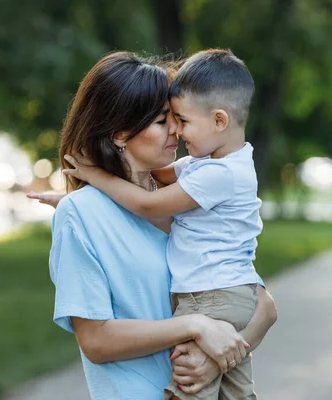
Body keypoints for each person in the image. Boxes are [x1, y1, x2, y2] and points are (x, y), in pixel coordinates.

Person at [29, 51, 277, 400]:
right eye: (164, 120)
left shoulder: (190, 201)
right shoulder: (79, 214)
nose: (177, 129)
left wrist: (216, 359)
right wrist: (195, 326)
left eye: (178, 118)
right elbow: (96, 341)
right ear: (119, 133)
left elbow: (264, 306)